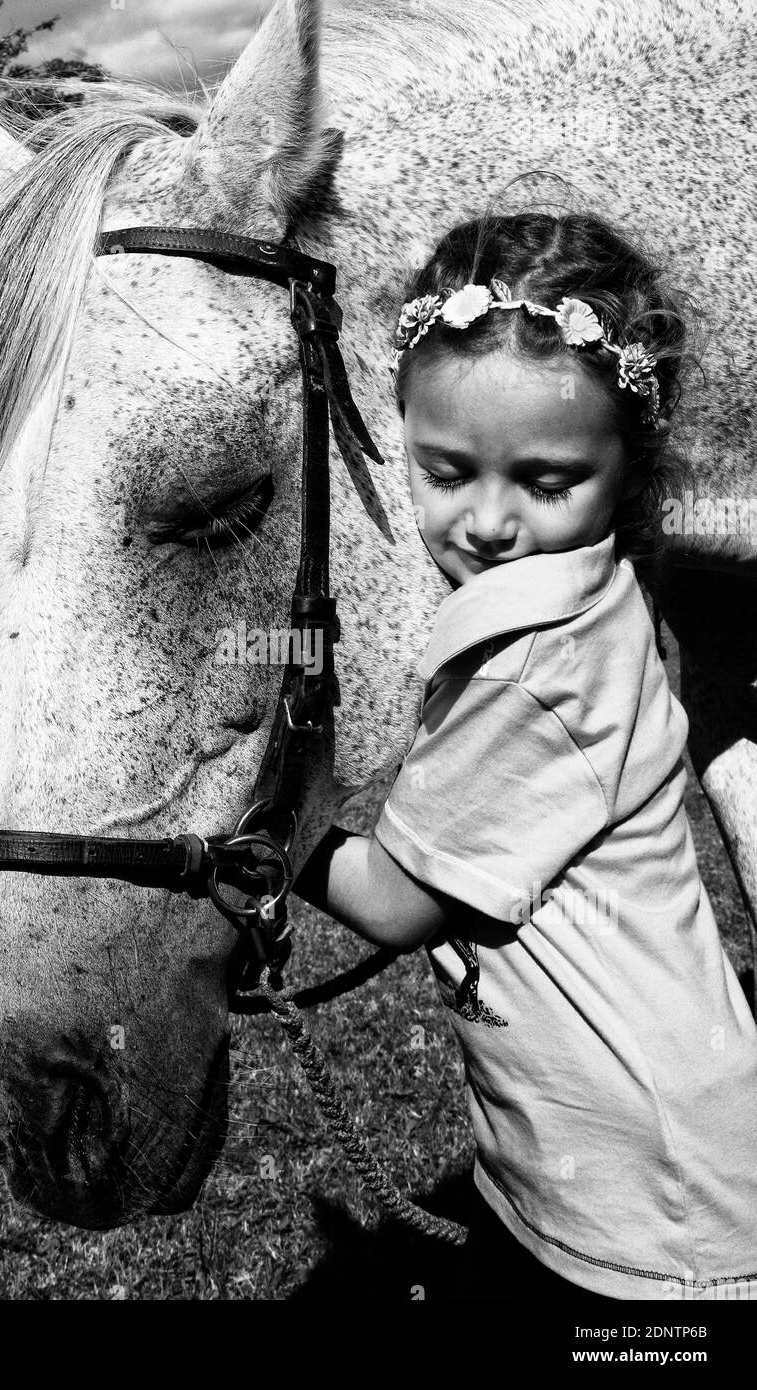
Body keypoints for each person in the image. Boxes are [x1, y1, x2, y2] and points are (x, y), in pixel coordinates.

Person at [292, 210, 757, 1302]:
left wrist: (264, 830)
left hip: (654, 1201)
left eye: (546, 483)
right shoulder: (597, 596)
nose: (489, 522)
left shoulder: (535, 670)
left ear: (629, 472)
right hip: (591, 1150)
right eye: (447, 471)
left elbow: (395, 903)